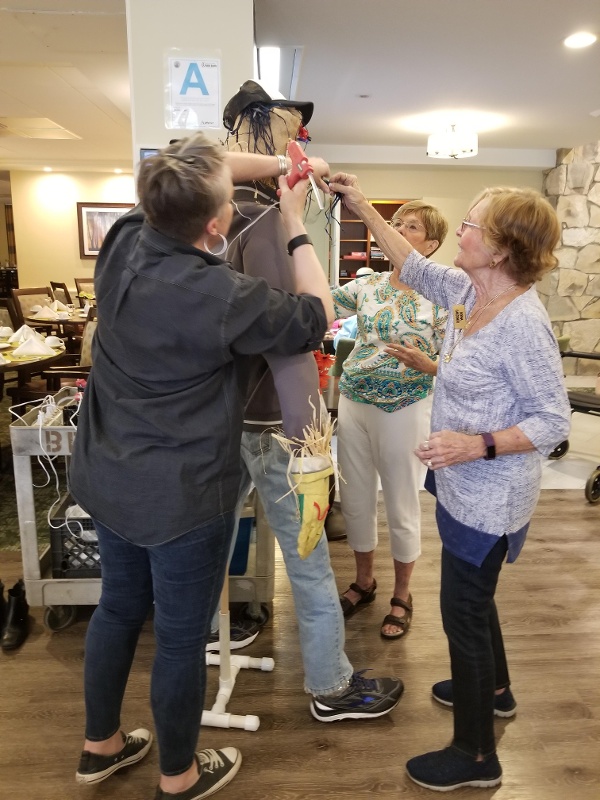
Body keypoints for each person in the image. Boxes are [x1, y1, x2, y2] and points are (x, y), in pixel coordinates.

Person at [69, 133, 336, 800]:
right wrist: (296, 220)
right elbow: (318, 318)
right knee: (183, 638)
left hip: (109, 475)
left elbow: (189, 168)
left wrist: (287, 163)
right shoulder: (223, 294)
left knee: (119, 610)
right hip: (182, 494)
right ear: (217, 225)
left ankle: (100, 747)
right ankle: (179, 776)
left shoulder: (126, 239)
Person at [328, 173, 571, 791]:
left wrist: (477, 443)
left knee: (461, 612)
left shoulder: (522, 324)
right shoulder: (470, 288)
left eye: (472, 224)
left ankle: (476, 758)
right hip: (461, 483)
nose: (458, 231)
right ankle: (497, 690)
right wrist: (357, 204)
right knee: (476, 599)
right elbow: (411, 264)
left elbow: (551, 420)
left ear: (502, 249)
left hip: (490, 495)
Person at [220, 79, 404, 721]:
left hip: (228, 417)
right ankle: (330, 686)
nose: (301, 140)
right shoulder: (268, 220)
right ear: (263, 133)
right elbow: (295, 336)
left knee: (213, 546)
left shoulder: (219, 219)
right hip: (275, 424)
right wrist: (311, 441)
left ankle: (227, 632)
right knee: (309, 560)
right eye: (292, 130)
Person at [333, 200, 449, 639]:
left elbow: (463, 354)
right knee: (356, 497)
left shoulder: (450, 297)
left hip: (406, 407)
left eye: (410, 226)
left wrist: (432, 366)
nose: (396, 229)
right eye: (395, 222)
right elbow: (318, 301)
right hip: (354, 402)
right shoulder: (368, 285)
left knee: (401, 499)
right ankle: (364, 582)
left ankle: (403, 593)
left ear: (431, 245)